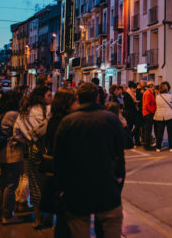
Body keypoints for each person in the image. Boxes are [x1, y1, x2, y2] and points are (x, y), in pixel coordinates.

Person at [54, 82, 125, 237]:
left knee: (79, 231)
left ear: (78, 98)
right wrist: (118, 181)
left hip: (76, 190)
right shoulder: (111, 119)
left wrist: (60, 188)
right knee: (111, 229)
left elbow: (59, 159)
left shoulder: (67, 122)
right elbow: (120, 155)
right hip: (107, 188)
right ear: (98, 96)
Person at [14, 86, 52, 229]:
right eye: (49, 95)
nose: (51, 98)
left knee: (35, 185)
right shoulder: (49, 111)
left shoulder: (24, 112)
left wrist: (28, 141)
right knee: (50, 184)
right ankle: (49, 216)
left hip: (33, 151)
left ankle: (37, 219)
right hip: (49, 151)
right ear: (42, 97)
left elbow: (16, 132)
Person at [43, 88, 77, 236]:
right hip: (68, 175)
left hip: (58, 175)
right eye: (75, 100)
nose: (78, 103)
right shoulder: (67, 122)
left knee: (64, 220)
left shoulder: (53, 120)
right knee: (68, 220)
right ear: (67, 103)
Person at [0, 91, 25, 224]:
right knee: (11, 184)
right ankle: (7, 215)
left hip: (3, 151)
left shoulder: (4, 113)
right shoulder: (13, 114)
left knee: (3, 184)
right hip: (12, 151)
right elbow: (21, 131)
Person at [154, 81, 172, 152]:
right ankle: (171, 147)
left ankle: (158, 147)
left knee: (160, 132)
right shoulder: (171, 96)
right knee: (170, 131)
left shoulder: (157, 97)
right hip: (169, 115)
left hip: (160, 115)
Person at [122, 82, 141, 146]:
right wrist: (135, 103)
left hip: (134, 112)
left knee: (138, 126)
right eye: (134, 88)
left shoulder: (133, 94)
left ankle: (136, 141)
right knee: (130, 127)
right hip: (129, 113)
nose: (135, 90)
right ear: (131, 88)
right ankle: (129, 140)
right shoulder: (127, 94)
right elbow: (127, 105)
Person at [142, 82, 157, 150]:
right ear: (151, 86)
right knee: (148, 130)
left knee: (147, 130)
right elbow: (147, 105)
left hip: (147, 113)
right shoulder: (148, 93)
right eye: (154, 85)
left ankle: (147, 143)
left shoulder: (148, 92)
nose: (155, 87)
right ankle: (147, 145)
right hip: (148, 113)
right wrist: (153, 110)